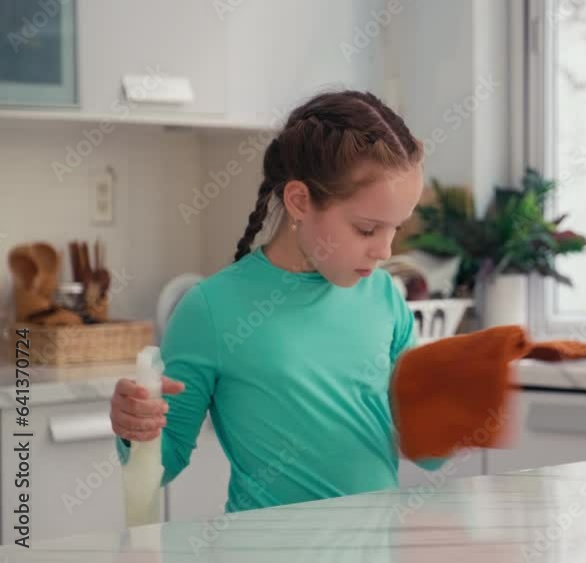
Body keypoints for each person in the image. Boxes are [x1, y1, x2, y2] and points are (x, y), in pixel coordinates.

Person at [109, 90, 446, 513]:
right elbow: (162, 465)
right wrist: (135, 431)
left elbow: (426, 451)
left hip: (379, 541)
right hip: (267, 544)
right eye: (366, 229)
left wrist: (460, 413)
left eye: (395, 228)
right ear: (299, 201)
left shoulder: (384, 296)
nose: (384, 250)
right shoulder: (212, 310)